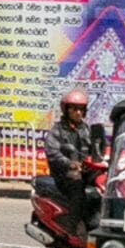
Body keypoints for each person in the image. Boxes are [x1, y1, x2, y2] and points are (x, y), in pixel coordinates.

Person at [39, 87, 107, 221]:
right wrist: (70, 163)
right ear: (66, 109)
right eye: (74, 109)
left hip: (85, 169)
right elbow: (52, 152)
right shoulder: (58, 130)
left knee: (105, 182)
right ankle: (76, 223)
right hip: (64, 173)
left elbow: (94, 147)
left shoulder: (85, 129)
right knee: (76, 185)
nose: (78, 112)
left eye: (81, 109)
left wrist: (101, 154)